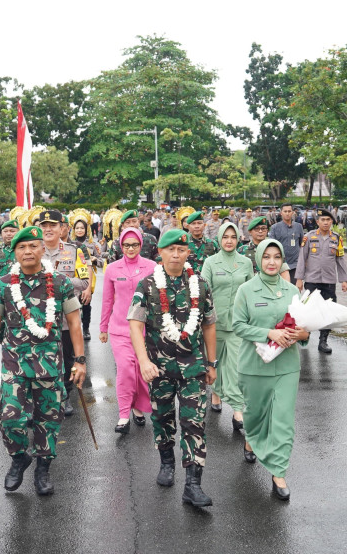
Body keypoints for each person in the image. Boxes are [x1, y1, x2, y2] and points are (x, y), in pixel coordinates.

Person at [0, 225, 86, 496]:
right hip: (14, 364)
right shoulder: (4, 284)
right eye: (21, 247)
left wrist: (80, 360)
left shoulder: (60, 283)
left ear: (42, 248)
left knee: (48, 420)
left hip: (50, 365)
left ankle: (43, 468)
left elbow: (74, 323)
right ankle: (19, 458)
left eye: (33, 246)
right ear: (14, 252)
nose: (28, 251)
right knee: (9, 418)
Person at [128, 228, 218, 508]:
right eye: (171, 250)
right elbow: (135, 324)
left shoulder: (200, 284)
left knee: (195, 422)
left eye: (181, 250)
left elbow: (209, 324)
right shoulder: (147, 285)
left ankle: (193, 484)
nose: (176, 255)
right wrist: (144, 361)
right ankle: (166, 463)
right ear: (161, 253)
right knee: (162, 417)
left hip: (194, 367)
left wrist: (212, 362)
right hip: (160, 368)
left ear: (188, 252)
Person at [232, 238, 310, 501]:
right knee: (254, 415)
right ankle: (251, 438)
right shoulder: (246, 290)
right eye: (267, 257)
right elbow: (238, 325)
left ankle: (279, 472)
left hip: (287, 366)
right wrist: (269, 333)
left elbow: (304, 327)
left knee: (283, 421)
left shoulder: (292, 291)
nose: (272, 262)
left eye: (277, 257)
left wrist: (303, 335)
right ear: (258, 259)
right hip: (254, 366)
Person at [100, 227, 156, 434]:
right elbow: (107, 300)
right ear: (120, 246)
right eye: (126, 245)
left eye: (134, 245)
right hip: (120, 329)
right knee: (125, 369)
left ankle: (138, 408)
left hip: (145, 330)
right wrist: (103, 327)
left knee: (141, 371)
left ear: (141, 245)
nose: (130, 249)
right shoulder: (112, 269)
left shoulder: (152, 267)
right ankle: (124, 414)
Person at [201, 221, 254, 428]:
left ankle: (238, 410)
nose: (229, 241)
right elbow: (204, 291)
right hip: (214, 324)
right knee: (216, 362)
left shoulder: (245, 263)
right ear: (219, 239)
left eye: (233, 237)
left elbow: (251, 290)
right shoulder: (210, 262)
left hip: (238, 324)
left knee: (235, 367)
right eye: (225, 237)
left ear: (238, 239)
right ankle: (216, 393)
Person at [38, 210, 91, 416]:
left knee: (68, 359)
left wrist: (58, 279)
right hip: (39, 316)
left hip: (67, 317)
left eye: (52, 225)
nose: (48, 229)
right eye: (44, 226)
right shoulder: (34, 249)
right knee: (41, 357)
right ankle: (42, 397)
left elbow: (84, 282)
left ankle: (65, 395)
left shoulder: (74, 251)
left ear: (62, 228)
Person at [295, 209, 347, 354]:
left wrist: (344, 280)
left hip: (329, 281)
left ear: (332, 222)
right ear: (317, 222)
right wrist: (299, 279)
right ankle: (305, 337)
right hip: (311, 280)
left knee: (328, 311)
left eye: (328, 220)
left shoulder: (336, 238)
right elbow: (302, 258)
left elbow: (340, 259)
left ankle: (323, 341)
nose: (325, 222)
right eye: (323, 220)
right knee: (307, 310)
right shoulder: (308, 237)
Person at [70, 211, 103, 341]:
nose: (79, 230)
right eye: (77, 228)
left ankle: (86, 329)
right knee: (72, 305)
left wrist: (94, 260)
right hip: (73, 278)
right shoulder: (70, 244)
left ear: (86, 229)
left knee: (86, 304)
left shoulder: (93, 244)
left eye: (82, 228)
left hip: (88, 279)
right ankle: (74, 329)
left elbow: (101, 262)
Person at [238, 217, 292, 281]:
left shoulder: (275, 248)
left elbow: (284, 271)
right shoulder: (242, 250)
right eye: (257, 229)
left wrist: (286, 286)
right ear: (250, 231)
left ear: (267, 231)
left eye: (263, 228)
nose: (260, 231)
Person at [268, 203, 305, 279]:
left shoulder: (298, 226)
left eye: (289, 211)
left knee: (295, 286)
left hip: (295, 265)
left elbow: (302, 245)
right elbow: (271, 247)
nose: (287, 213)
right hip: (280, 265)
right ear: (281, 213)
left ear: (293, 212)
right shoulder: (275, 227)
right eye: (285, 211)